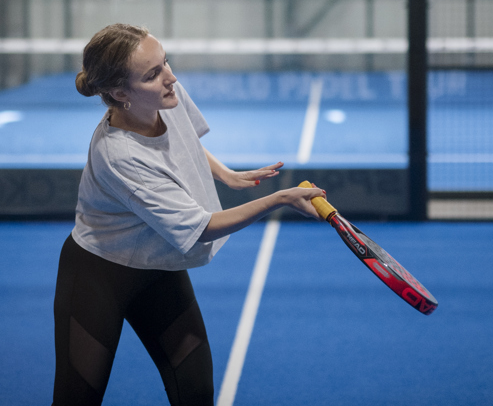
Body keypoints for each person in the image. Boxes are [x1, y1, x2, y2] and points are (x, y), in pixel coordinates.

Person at [53, 23, 324, 405]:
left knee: (196, 391)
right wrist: (278, 200)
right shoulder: (119, 156)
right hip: (99, 276)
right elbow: (202, 228)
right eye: (153, 74)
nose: (170, 77)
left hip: (158, 264)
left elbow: (185, 142)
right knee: (76, 400)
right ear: (119, 93)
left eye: (165, 63)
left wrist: (227, 174)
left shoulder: (166, 96)